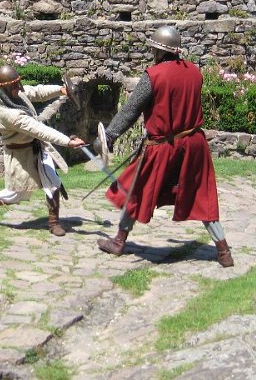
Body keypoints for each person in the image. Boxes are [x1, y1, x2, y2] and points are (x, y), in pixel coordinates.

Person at [96, 26, 234, 267]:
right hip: (194, 145)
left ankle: (119, 241)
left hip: (163, 147)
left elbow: (130, 111)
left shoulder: (153, 75)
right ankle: (223, 251)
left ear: (159, 51)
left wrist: (110, 135)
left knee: (135, 189)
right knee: (202, 195)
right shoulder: (195, 72)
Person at [0, 65, 86, 236]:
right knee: (14, 194)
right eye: (15, 86)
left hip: (37, 150)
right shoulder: (7, 114)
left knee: (53, 183)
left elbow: (37, 92)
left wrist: (61, 90)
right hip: (20, 157)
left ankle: (54, 222)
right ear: (5, 88)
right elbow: (38, 129)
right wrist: (67, 142)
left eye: (18, 84)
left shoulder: (15, 93)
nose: (19, 88)